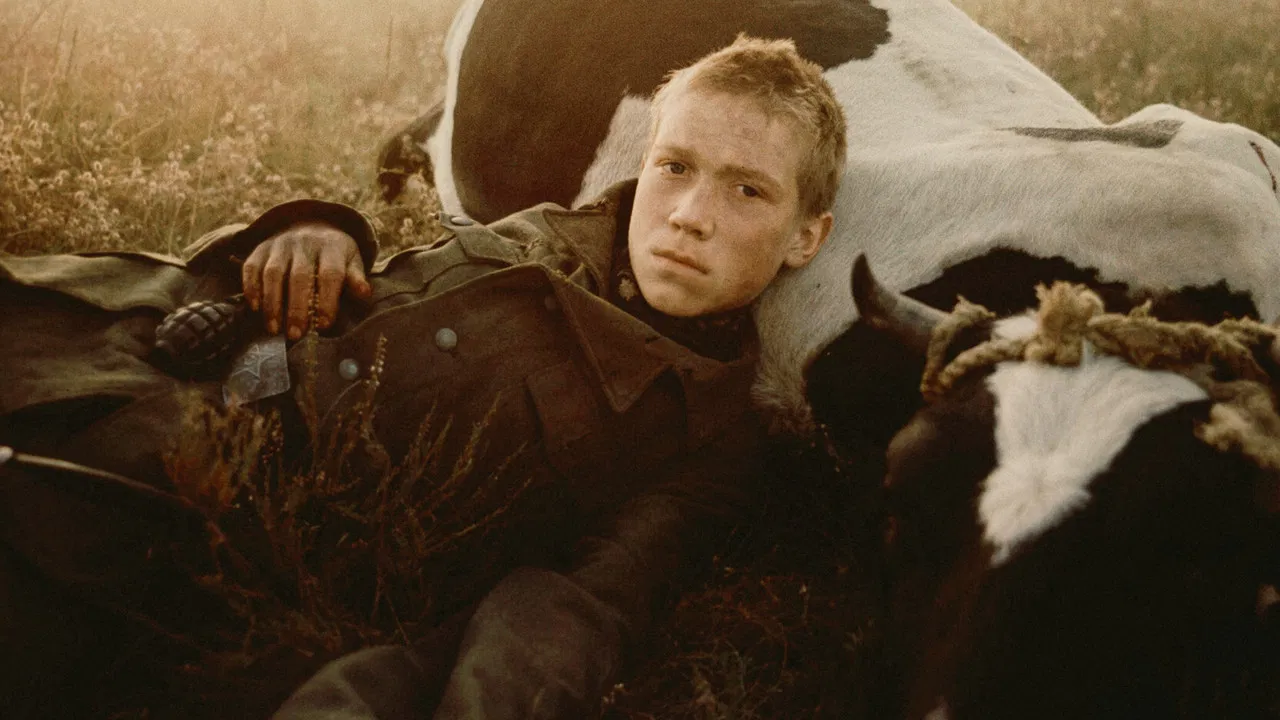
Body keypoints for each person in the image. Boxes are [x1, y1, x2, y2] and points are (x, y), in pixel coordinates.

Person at [0, 35, 846, 719]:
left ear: (807, 237)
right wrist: (316, 228)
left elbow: (580, 607)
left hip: (183, 525)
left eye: (747, 190)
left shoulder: (708, 437)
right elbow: (387, 277)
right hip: (115, 350)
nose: (690, 216)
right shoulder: (554, 232)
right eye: (675, 167)